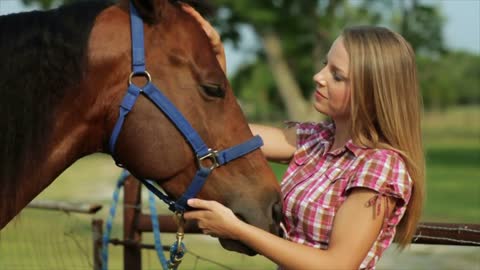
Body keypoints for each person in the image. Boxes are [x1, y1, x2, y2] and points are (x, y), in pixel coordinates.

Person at [181, 4, 425, 270]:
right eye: (325, 65)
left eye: (337, 76)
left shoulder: (379, 166)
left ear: (371, 92)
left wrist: (236, 229)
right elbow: (227, 132)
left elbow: (336, 265)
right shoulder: (315, 140)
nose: (318, 77)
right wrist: (215, 63)